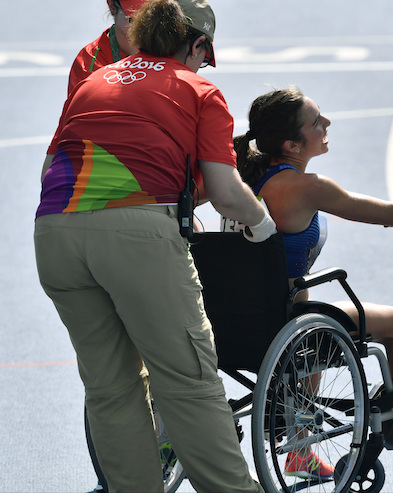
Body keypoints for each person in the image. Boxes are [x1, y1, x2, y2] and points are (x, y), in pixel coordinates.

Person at [34, 0, 274, 491]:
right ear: (198, 44)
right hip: (135, 233)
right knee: (189, 382)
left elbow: (48, 168)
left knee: (109, 389)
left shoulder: (95, 80)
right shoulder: (199, 88)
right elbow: (225, 192)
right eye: (205, 56)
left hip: (54, 232)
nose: (204, 66)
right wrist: (262, 223)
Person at [221, 86, 393, 480]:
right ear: (290, 144)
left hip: (233, 320)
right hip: (281, 322)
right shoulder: (307, 188)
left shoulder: (238, 181)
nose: (327, 123)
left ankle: (300, 448)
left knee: (306, 304)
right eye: (316, 121)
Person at [64, 2, 149, 491]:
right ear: (113, 8)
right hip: (102, 212)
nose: (138, 24)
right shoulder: (89, 60)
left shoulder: (171, 43)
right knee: (108, 366)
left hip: (156, 206)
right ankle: (113, 475)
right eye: (129, 15)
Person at [68, 0, 148, 95]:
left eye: (152, 16)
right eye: (134, 18)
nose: (146, 24)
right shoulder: (89, 63)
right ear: (112, 6)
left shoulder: (169, 51)